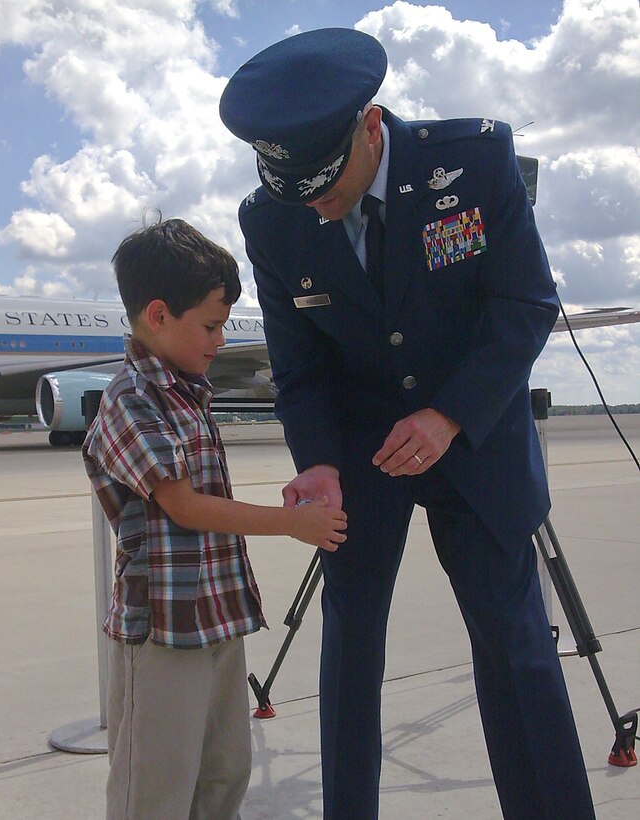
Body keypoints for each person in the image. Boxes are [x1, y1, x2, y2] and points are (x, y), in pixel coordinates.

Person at [219, 27, 596, 820]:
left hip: (477, 436)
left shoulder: (476, 161)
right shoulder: (274, 220)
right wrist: (317, 461)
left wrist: (450, 413)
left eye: (327, 185)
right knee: (349, 651)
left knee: (517, 649)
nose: (317, 206)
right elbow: (298, 365)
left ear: (371, 126)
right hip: (359, 455)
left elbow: (526, 302)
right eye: (300, 194)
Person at [82, 216, 347, 820]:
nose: (220, 340)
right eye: (211, 325)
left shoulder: (186, 392)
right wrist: (293, 525)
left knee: (224, 770)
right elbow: (181, 504)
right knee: (156, 782)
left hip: (215, 617)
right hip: (164, 630)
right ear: (157, 316)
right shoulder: (130, 399)